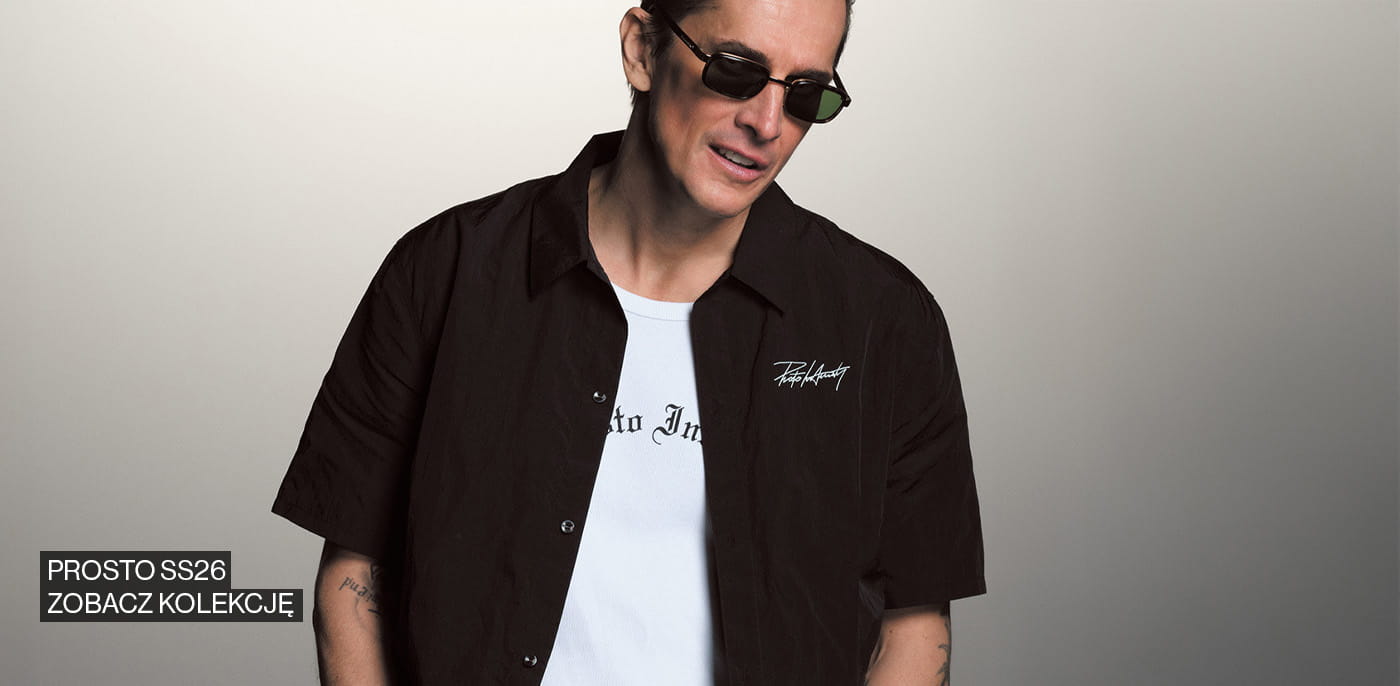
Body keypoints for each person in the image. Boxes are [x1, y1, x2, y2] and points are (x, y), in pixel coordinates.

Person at [270, 0, 986, 684]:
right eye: (736, 70)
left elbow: (914, 624)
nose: (767, 123)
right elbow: (355, 571)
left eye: (806, 95)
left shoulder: (885, 322)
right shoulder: (446, 271)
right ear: (642, 50)